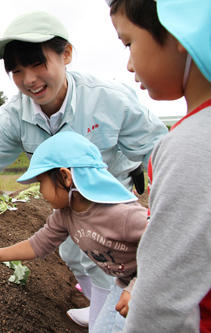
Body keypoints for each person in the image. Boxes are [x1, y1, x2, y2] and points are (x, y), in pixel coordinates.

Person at [0, 11, 167, 328]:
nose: (28, 79)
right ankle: (99, 302)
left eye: (38, 64)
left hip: (110, 194)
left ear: (65, 54)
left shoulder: (109, 100)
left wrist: (142, 176)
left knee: (111, 257)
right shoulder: (14, 117)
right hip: (70, 199)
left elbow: (163, 153)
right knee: (72, 252)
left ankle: (111, 313)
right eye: (16, 70)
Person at [0, 132, 148, 332]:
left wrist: (138, 288)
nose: (39, 191)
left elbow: (168, 248)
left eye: (41, 182)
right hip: (124, 284)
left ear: (65, 177)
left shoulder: (123, 215)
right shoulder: (66, 215)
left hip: (154, 282)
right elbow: (37, 244)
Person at [108, 0, 211, 331]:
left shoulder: (189, 146)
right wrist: (138, 285)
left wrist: (143, 296)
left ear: (180, 30)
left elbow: (163, 299)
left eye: (128, 43)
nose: (128, 65)